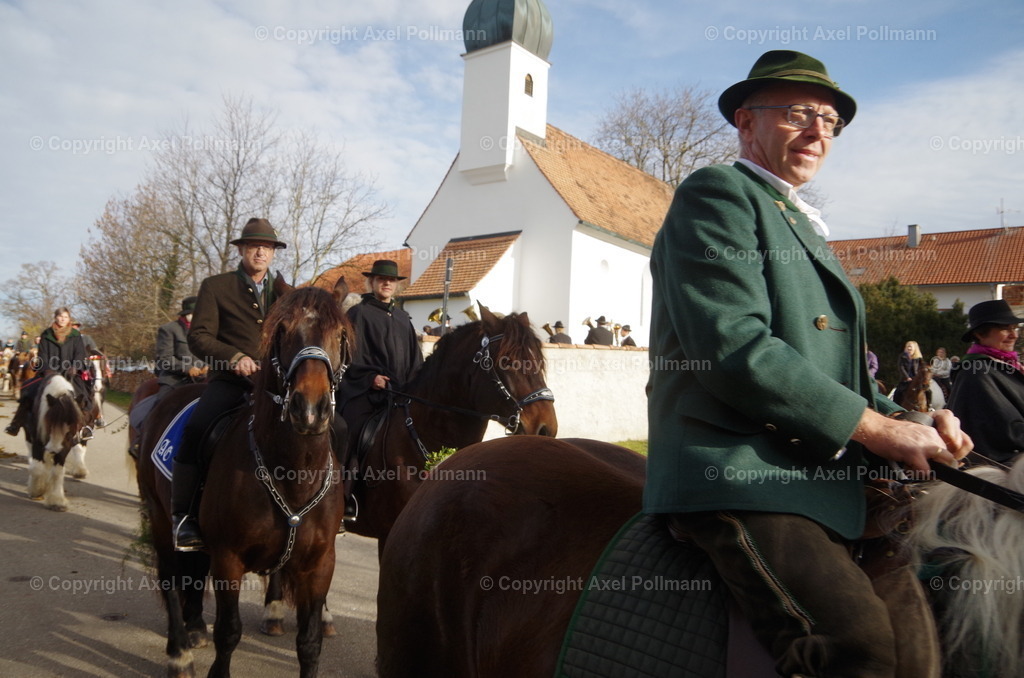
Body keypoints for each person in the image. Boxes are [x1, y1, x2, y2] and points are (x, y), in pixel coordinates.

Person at [644, 50, 972, 678]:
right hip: (739, 470)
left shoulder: (803, 223)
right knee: (860, 651)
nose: (819, 131)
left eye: (829, 120)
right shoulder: (718, 193)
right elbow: (734, 348)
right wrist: (875, 430)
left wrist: (912, 420)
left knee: (919, 649)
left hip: (823, 474)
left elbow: (843, 377)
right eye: (799, 113)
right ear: (746, 122)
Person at [171, 218, 291, 551]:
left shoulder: (285, 293)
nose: (260, 252)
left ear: (273, 253)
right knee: (196, 430)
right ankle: (184, 516)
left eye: (266, 247)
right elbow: (199, 337)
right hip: (230, 381)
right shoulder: (216, 286)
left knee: (328, 426)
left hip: (276, 387)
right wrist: (234, 357)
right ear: (241, 249)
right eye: (253, 246)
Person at [337, 259, 423, 516]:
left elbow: (415, 361)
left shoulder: (403, 318)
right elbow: (347, 357)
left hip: (400, 395)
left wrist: (415, 387)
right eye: (381, 279)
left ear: (396, 286)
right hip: (364, 393)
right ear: (372, 282)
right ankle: (344, 497)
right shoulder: (358, 313)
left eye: (392, 280)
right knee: (354, 433)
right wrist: (370, 378)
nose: (387, 283)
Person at [947, 299, 1024, 465]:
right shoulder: (977, 372)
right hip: (1002, 466)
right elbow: (1008, 430)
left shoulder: (1008, 365)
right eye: (1005, 328)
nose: (1014, 335)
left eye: (1014, 328)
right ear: (980, 334)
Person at [5, 307, 89, 437]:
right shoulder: (46, 334)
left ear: (69, 319)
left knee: (84, 394)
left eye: (65, 317)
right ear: (55, 317)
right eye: (60, 316)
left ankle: (84, 427)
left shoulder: (75, 335)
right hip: (50, 372)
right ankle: (16, 423)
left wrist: (75, 367)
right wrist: (48, 371)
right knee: (29, 390)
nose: (62, 319)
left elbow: (79, 354)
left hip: (70, 372)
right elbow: (43, 355)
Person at [154, 296, 206, 395]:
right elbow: (164, 357)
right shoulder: (168, 329)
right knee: (163, 403)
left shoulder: (206, 331)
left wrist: (207, 366)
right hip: (174, 380)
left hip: (202, 378)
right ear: (187, 315)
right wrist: (188, 368)